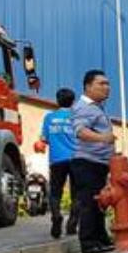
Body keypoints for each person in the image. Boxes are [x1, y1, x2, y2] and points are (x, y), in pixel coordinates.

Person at [70, 70, 117, 253]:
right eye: (101, 84)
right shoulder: (83, 107)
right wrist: (103, 138)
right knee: (90, 203)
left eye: (107, 83)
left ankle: (101, 238)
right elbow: (80, 131)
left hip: (98, 163)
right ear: (88, 86)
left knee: (99, 203)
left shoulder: (96, 107)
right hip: (87, 162)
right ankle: (88, 242)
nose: (107, 87)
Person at [37, 87, 80, 239]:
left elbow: (43, 141)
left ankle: (56, 216)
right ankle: (72, 224)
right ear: (73, 101)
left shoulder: (49, 118)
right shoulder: (78, 117)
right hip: (76, 158)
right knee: (77, 193)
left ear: (57, 101)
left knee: (55, 192)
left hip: (57, 160)